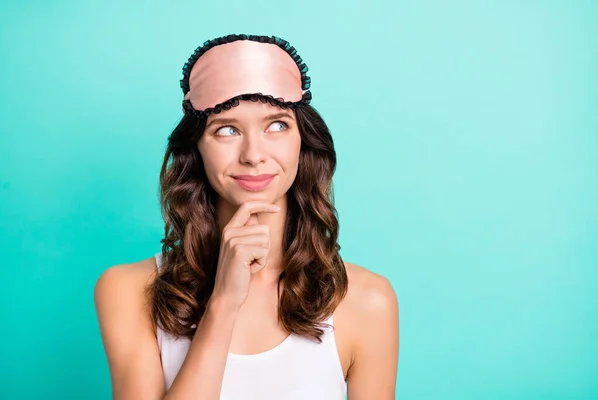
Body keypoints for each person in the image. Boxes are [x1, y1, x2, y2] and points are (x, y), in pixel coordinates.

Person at [94, 33, 399, 400]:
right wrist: (223, 302)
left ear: (304, 141)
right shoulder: (128, 290)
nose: (253, 154)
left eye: (277, 125)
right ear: (196, 149)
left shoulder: (367, 300)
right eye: (227, 129)